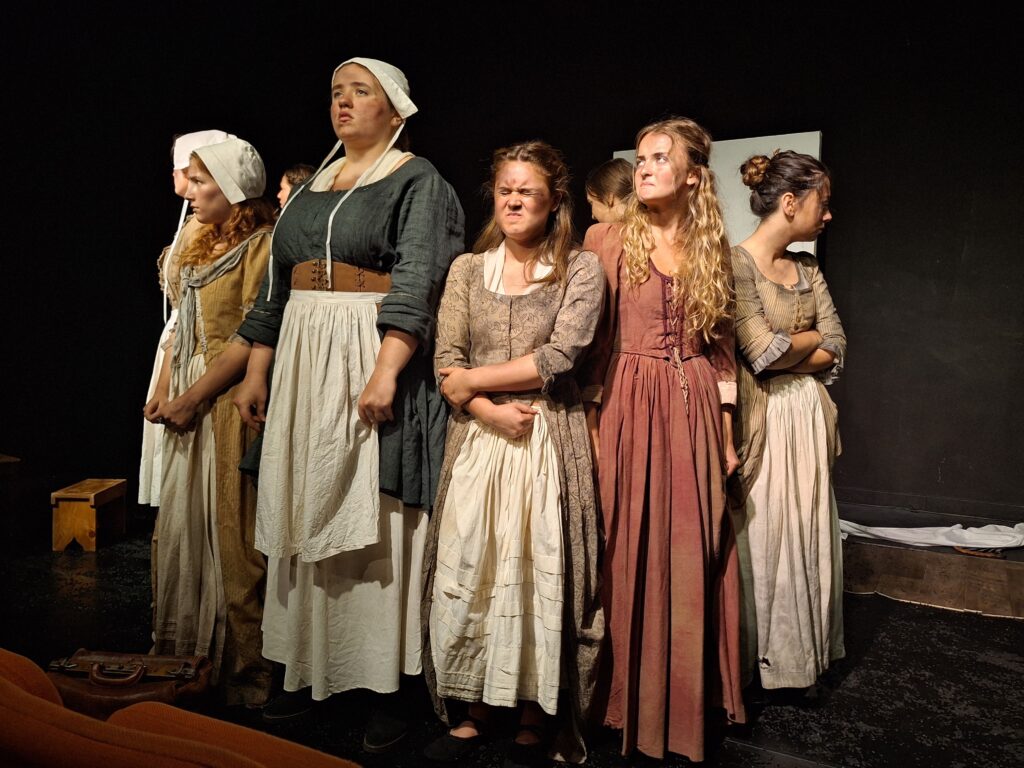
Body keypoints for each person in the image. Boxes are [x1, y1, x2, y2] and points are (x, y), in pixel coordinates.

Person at [232, 57, 464, 751]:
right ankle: (304, 668)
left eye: (361, 91)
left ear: (395, 109)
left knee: (374, 509)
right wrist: (256, 371)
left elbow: (421, 276)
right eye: (336, 91)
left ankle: (381, 684)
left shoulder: (417, 180)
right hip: (304, 356)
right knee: (307, 498)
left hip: (365, 349)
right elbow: (275, 286)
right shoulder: (310, 191)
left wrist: (388, 368)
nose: (344, 101)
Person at [421, 141, 605, 765]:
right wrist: (480, 404)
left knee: (536, 568)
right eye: (505, 189)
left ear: (554, 200)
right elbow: (447, 359)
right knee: (475, 563)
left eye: (527, 190)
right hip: (480, 439)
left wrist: (473, 380)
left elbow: (559, 357)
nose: (515, 200)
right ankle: (474, 703)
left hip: (547, 435)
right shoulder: (467, 271)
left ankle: (533, 708)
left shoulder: (580, 269)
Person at [581, 117, 746, 761]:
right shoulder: (608, 239)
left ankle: (685, 702)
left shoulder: (712, 247)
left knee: (692, 550)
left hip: (697, 406)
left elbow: (724, 347)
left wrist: (727, 434)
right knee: (626, 548)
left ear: (693, 175)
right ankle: (624, 703)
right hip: (629, 400)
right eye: (640, 157)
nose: (643, 167)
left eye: (659, 158)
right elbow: (592, 343)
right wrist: (595, 425)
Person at [144, 136, 276, 706]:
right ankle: (181, 654)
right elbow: (181, 321)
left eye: (201, 183)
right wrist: (163, 385)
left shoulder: (261, 247)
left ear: (234, 190)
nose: (188, 192)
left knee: (232, 529)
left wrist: (195, 395)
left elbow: (248, 337)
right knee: (182, 526)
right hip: (186, 393)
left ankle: (246, 669)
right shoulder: (195, 240)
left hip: (223, 397)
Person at [729, 150, 846, 693]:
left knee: (808, 530)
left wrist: (800, 348)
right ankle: (763, 661)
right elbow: (760, 353)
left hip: (807, 417)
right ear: (791, 201)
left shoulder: (809, 267)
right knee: (766, 534)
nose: (827, 215)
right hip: (765, 418)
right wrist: (811, 342)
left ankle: (804, 659)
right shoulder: (736, 265)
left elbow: (839, 345)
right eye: (822, 203)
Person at [139, 129, 234, 507]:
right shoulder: (195, 222)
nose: (180, 180)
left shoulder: (209, 227)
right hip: (178, 339)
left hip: (199, 342)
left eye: (189, 173)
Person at [584, 157, 632, 224]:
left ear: (609, 198)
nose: (593, 216)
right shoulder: (649, 228)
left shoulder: (597, 233)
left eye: (591, 203)